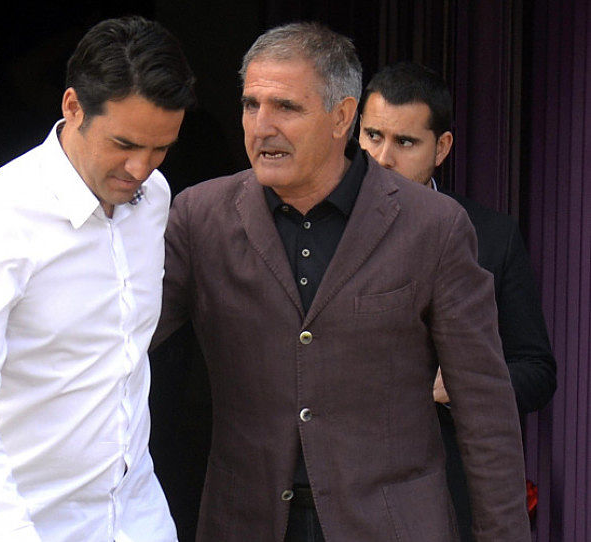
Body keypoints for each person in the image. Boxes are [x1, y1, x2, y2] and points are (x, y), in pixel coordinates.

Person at [151, 22, 531, 541]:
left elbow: (485, 409)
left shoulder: (432, 226)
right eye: (250, 105)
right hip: (246, 522)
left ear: (343, 117)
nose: (262, 126)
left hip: (393, 526)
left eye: (286, 107)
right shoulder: (199, 217)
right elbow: (119, 342)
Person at [0, 16, 194, 542]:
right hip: (8, 522)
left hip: (133, 517)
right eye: (124, 143)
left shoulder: (154, 199)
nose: (140, 168)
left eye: (161, 148)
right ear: (73, 107)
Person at [357, 61, 556, 541]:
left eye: (405, 142)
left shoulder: (491, 235)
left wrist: (472, 382)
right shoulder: (317, 226)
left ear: (441, 147)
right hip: (344, 484)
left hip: (445, 492)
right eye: (372, 136)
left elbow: (537, 370)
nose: (383, 157)